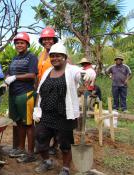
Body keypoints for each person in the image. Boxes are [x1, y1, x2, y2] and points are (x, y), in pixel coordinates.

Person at [33, 43, 95, 175]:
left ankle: (66, 168)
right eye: (52, 56)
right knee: (39, 138)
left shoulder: (71, 70)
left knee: (65, 144)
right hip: (46, 114)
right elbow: (39, 91)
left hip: (64, 115)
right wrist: (36, 109)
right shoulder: (48, 72)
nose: (55, 58)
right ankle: (47, 162)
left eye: (58, 56)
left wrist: (90, 72)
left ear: (65, 57)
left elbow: (81, 74)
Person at [4, 32, 38, 163]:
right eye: (17, 43)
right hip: (14, 94)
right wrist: (7, 79)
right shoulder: (14, 58)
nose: (19, 45)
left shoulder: (31, 57)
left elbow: (32, 75)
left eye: (22, 43)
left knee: (28, 124)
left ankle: (30, 153)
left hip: (25, 94)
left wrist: (15, 77)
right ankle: (20, 148)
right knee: (18, 122)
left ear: (27, 44)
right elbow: (9, 73)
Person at [37, 26, 59, 155]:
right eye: (44, 39)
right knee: (45, 119)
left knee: (56, 119)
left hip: (56, 90)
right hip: (43, 91)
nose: (47, 41)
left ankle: (55, 145)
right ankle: (45, 145)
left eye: (49, 39)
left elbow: (69, 66)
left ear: (54, 40)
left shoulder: (59, 51)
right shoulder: (42, 54)